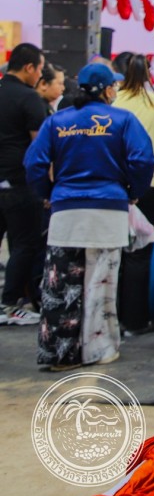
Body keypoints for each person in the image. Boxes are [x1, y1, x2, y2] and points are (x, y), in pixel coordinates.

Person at [25, 63, 154, 370]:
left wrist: (48, 193)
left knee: (60, 286)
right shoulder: (124, 120)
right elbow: (143, 159)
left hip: (66, 212)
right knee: (101, 286)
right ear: (108, 89)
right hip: (108, 211)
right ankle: (100, 350)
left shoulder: (57, 121)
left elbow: (34, 163)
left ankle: (61, 355)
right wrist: (132, 191)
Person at [111, 54, 154, 332]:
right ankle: (135, 321)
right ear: (150, 73)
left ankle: (110, 318)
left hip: (117, 187)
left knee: (113, 254)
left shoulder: (115, 102)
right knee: (140, 254)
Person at [0, 42, 47, 325]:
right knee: (24, 244)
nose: (40, 75)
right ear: (29, 67)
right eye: (39, 69)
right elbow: (39, 147)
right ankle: (9, 304)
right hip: (19, 182)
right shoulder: (29, 98)